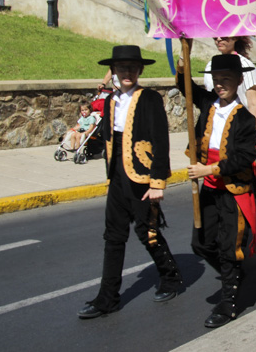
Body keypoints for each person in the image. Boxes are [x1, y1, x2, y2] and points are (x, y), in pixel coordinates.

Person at [78, 45, 182, 320]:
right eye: (122, 67)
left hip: (142, 177)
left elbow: (161, 140)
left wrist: (158, 182)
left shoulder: (149, 98)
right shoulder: (111, 100)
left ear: (140, 70)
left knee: (147, 233)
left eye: (132, 68)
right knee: (113, 236)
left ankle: (170, 276)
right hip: (117, 177)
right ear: (113, 71)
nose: (127, 72)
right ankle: (107, 297)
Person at [177, 54, 256, 329]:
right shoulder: (208, 103)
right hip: (210, 190)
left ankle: (228, 304)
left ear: (239, 81)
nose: (220, 85)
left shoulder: (245, 119)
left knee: (228, 246)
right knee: (200, 243)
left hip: (234, 191)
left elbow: (244, 158)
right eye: (216, 80)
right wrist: (181, 65)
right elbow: (186, 88)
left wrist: (209, 170)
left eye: (226, 79)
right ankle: (234, 271)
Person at [204, 36, 256, 138]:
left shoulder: (245, 65)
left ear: (235, 38)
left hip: (239, 125)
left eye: (224, 37)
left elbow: (252, 103)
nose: (218, 39)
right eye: (215, 37)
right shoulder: (210, 66)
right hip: (215, 126)